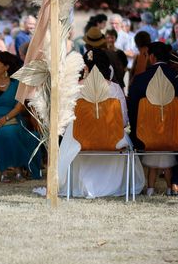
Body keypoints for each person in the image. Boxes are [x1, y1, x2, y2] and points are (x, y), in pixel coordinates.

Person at [59, 49, 144, 198]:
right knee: (123, 140)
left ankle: (81, 185)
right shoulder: (116, 88)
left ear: (86, 67)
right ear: (107, 66)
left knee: (70, 137)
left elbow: (66, 120)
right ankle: (111, 185)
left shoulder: (75, 88)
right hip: (112, 140)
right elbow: (123, 121)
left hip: (80, 140)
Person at [128, 42, 178, 194]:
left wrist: (138, 131)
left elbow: (132, 111)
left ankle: (151, 185)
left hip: (144, 137)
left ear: (151, 57)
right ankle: (177, 181)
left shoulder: (139, 80)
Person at [0, 51, 41, 181]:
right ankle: (4, 171)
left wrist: (5, 119)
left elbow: (19, 107)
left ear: (6, 67)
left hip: (11, 117)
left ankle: (17, 168)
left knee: (11, 131)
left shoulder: (16, 84)